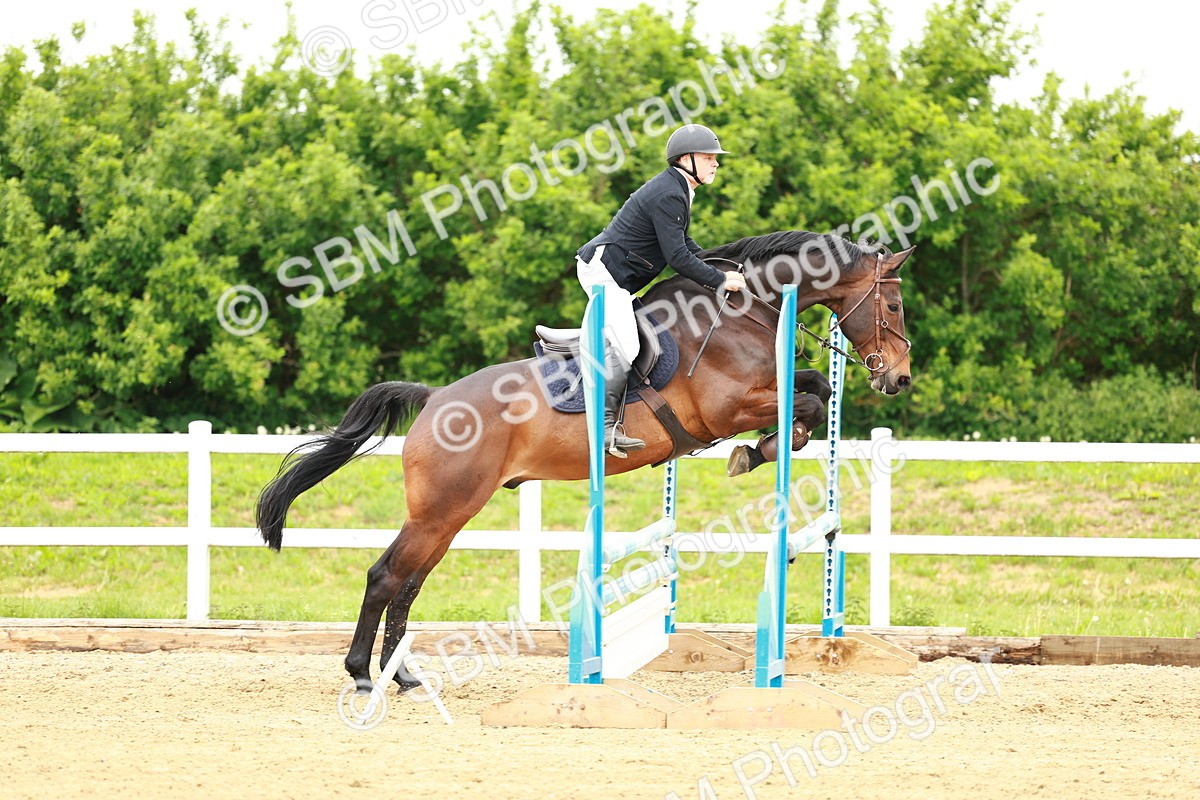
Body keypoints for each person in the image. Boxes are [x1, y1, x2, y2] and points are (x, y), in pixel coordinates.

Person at [576, 123, 747, 458]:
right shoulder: (670, 193)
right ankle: (605, 430)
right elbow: (677, 258)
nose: (716, 163)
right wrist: (718, 280)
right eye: (708, 157)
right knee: (627, 343)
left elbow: (684, 243)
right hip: (604, 273)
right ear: (685, 159)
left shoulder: (677, 188)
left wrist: (718, 265)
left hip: (616, 274)